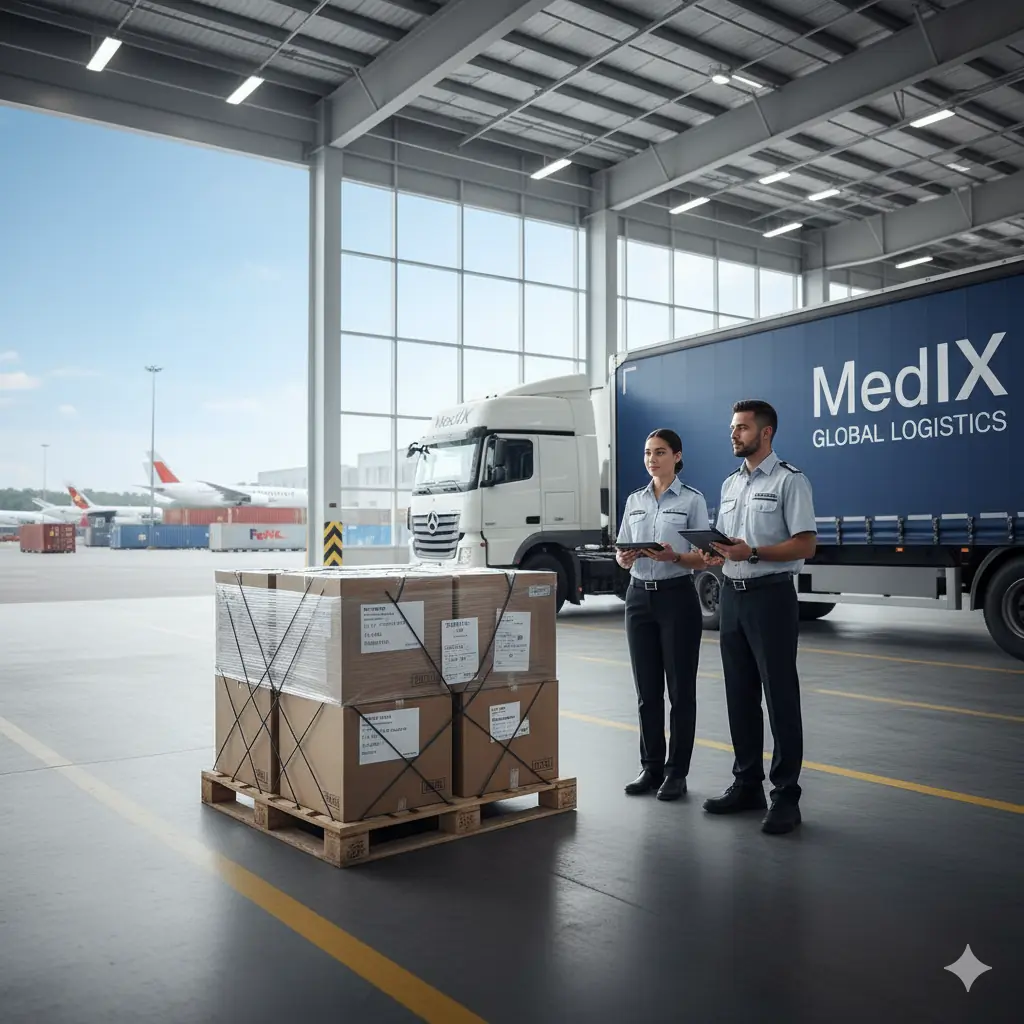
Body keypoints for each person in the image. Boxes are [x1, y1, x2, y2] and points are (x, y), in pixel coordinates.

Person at [700, 400, 817, 834]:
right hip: (733, 595)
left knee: (780, 697)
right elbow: (729, 545)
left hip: (771, 598)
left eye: (742, 428)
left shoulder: (791, 481)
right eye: (733, 427)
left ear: (765, 433)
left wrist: (752, 551)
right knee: (739, 694)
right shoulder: (730, 484)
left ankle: (786, 795)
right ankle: (747, 783)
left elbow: (805, 545)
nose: (734, 434)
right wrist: (711, 551)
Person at [616, 429, 709, 802]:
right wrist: (623, 558)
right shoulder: (635, 500)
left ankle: (676, 773)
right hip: (639, 599)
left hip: (676, 598)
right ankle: (651, 767)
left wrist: (675, 557)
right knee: (646, 692)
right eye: (647, 453)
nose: (652, 459)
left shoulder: (692, 500)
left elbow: (706, 556)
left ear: (677, 456)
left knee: (680, 692)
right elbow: (623, 548)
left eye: (660, 452)